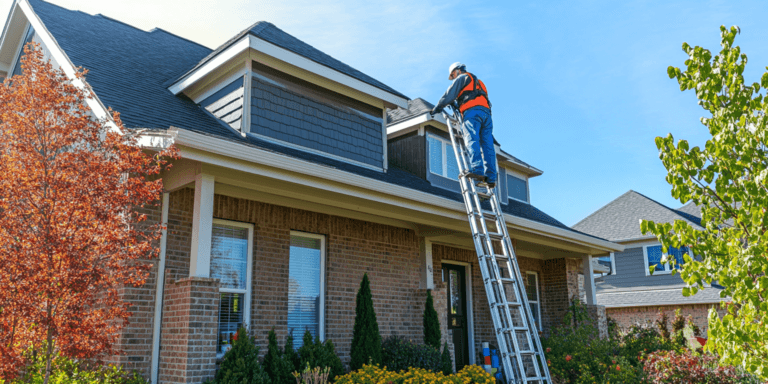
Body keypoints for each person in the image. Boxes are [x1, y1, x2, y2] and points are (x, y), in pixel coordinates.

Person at [430, 62, 496, 188]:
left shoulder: (462, 78)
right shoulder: (480, 83)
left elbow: (449, 94)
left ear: (458, 70)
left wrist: (437, 108)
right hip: (486, 115)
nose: (454, 77)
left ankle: (477, 170)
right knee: (488, 146)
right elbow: (472, 95)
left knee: (471, 139)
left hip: (472, 113)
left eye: (453, 74)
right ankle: (491, 178)